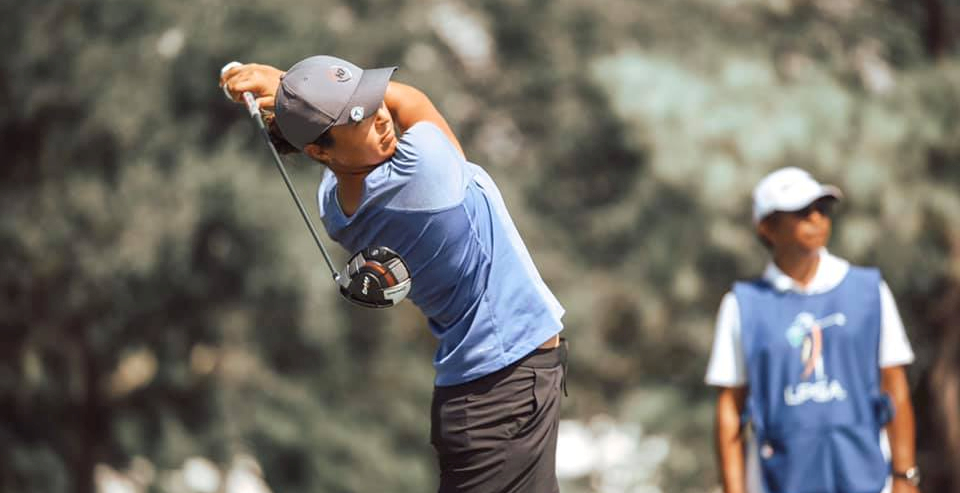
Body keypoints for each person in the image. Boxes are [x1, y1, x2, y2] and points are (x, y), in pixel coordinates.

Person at [220, 55, 567, 493]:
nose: (380, 116)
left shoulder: (334, 206)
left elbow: (386, 113)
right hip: (501, 393)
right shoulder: (422, 172)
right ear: (318, 150)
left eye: (369, 98)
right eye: (357, 118)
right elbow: (412, 101)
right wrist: (285, 82)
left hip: (495, 387)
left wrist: (298, 96)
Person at [704, 167, 920, 493]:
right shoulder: (742, 305)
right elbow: (730, 409)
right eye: (802, 212)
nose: (817, 219)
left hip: (866, 478)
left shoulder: (868, 291)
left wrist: (905, 477)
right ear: (768, 228)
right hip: (780, 481)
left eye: (823, 209)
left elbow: (895, 387)